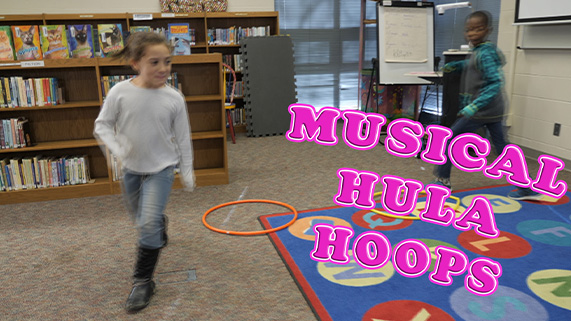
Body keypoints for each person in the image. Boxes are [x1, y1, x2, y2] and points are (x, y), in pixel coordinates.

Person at [93, 32, 196, 313]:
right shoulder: (119, 93)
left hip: (162, 169)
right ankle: (159, 222)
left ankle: (143, 281)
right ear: (135, 63)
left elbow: (184, 138)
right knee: (143, 220)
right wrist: (116, 148)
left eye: (168, 61)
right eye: (155, 62)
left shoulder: (174, 98)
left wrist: (187, 170)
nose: (163, 68)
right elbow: (101, 126)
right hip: (131, 171)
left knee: (147, 225)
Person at [430, 10, 541, 201]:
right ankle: (525, 187)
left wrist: (475, 106)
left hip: (481, 110)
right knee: (502, 148)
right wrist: (457, 66)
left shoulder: (486, 53)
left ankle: (442, 181)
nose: (472, 33)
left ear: (488, 30)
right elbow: (475, 66)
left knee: (448, 140)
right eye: (469, 30)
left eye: (478, 29)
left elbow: (495, 82)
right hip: (493, 110)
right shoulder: (480, 50)